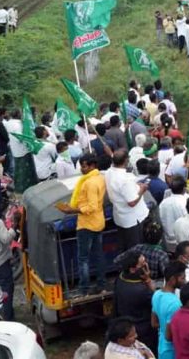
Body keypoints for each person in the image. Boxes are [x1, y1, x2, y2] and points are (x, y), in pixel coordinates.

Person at [56, 153, 106, 296]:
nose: (82, 169)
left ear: (92, 166)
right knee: (98, 255)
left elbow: (91, 207)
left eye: (84, 166)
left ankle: (84, 288)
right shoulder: (99, 178)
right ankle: (101, 284)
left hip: (87, 224)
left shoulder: (89, 183)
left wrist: (72, 210)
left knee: (83, 258)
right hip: (98, 222)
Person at [104, 149, 150, 253]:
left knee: (125, 249)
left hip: (121, 217)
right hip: (133, 220)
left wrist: (136, 186)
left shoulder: (109, 173)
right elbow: (132, 202)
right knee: (136, 251)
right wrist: (142, 190)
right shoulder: (124, 179)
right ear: (126, 160)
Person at [114, 252, 157, 354]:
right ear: (133, 269)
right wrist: (148, 280)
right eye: (142, 264)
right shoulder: (140, 290)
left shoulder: (120, 278)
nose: (146, 266)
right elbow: (157, 300)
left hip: (126, 322)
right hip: (144, 330)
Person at [151, 261, 187, 359]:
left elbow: (154, 323)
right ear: (172, 279)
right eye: (182, 278)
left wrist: (164, 326)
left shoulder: (156, 294)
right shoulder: (175, 304)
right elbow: (169, 335)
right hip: (172, 350)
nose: (185, 281)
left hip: (161, 347)